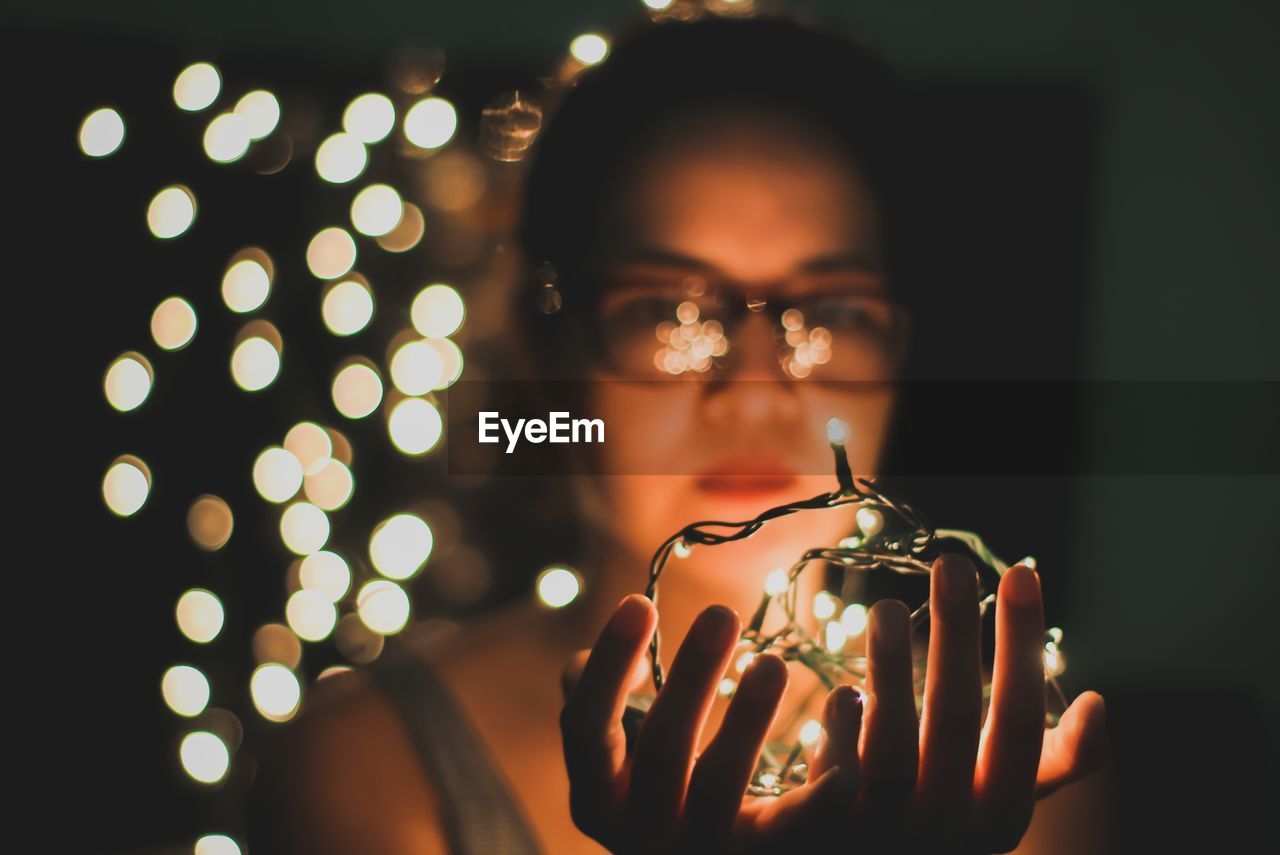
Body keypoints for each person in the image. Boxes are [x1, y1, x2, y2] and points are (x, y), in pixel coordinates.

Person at [249, 14, 1109, 854]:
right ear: (547, 352)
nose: (755, 394)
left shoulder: (1012, 771)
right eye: (671, 313)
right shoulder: (365, 765)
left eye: (831, 312)